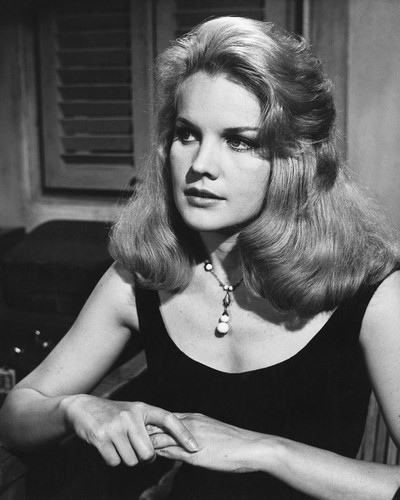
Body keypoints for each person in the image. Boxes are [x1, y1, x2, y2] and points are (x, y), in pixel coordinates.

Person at [1, 15, 400, 499]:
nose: (200, 166)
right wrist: (75, 409)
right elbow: (17, 415)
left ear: (296, 158)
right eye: (187, 134)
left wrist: (263, 450)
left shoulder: (372, 292)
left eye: (239, 141)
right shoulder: (140, 277)